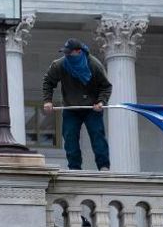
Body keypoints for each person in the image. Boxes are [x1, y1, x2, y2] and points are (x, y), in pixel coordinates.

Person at [42, 38, 113, 171]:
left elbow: (106, 86)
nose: (67, 55)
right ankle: (74, 168)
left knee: (97, 135)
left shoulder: (94, 65)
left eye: (69, 53)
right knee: (69, 136)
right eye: (65, 53)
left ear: (79, 52)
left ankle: (103, 166)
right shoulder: (60, 64)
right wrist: (48, 100)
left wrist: (101, 101)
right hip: (71, 107)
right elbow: (48, 82)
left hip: (92, 108)